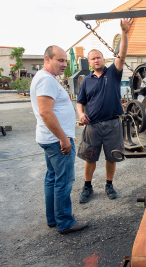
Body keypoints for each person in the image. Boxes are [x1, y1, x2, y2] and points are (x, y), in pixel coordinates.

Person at [30, 45, 88, 234]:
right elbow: (46, 112)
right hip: (56, 140)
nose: (64, 64)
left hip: (49, 138)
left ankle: (53, 219)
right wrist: (63, 139)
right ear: (48, 59)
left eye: (65, 60)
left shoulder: (45, 78)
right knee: (63, 181)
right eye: (60, 60)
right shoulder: (46, 80)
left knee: (52, 178)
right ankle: (64, 222)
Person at [76, 18, 133, 203]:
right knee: (90, 158)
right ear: (90, 62)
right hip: (92, 126)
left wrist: (124, 33)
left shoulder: (113, 73)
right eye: (92, 58)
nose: (96, 60)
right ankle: (88, 187)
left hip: (112, 124)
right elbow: (80, 102)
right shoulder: (86, 81)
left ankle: (109, 185)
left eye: (98, 57)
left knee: (112, 157)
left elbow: (122, 55)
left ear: (103, 59)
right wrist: (81, 114)